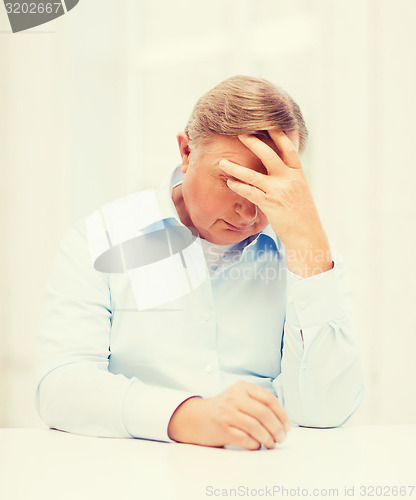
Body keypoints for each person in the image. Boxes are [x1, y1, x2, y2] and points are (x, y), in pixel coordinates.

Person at [35, 75, 364, 451]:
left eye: (267, 184)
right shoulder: (101, 238)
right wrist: (188, 417)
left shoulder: (309, 256)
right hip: (133, 475)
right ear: (187, 152)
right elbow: (60, 387)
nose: (248, 208)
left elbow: (328, 412)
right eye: (231, 179)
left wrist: (309, 246)